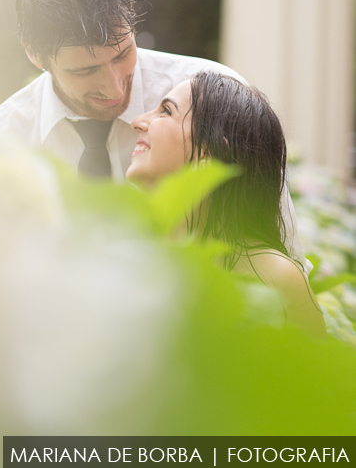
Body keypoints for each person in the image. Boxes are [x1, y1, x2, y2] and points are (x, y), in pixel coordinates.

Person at [0, 0, 308, 268]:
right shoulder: (3, 142)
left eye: (122, 54)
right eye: (84, 71)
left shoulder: (211, 96)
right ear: (35, 55)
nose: (113, 86)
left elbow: (282, 257)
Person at [127, 71, 325, 337]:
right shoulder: (131, 258)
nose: (137, 122)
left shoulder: (275, 277)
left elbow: (310, 375)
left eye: (166, 111)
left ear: (210, 152)